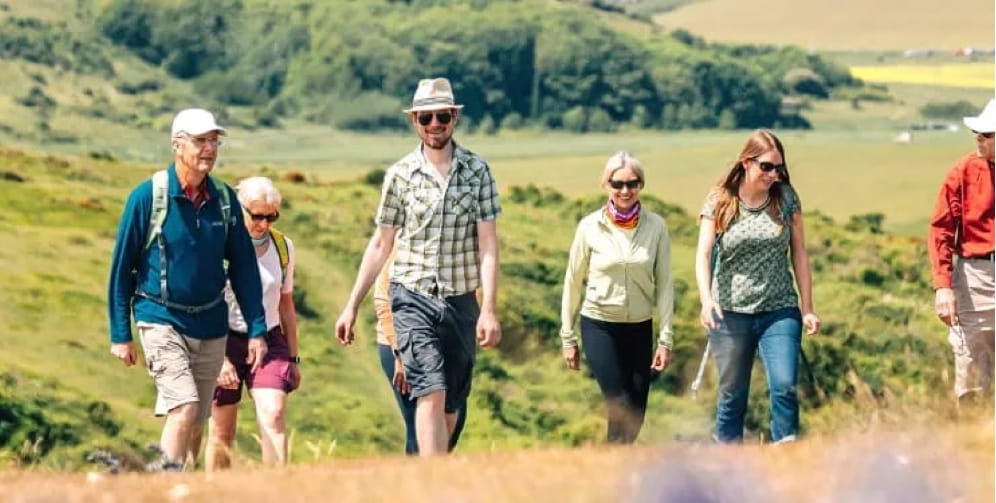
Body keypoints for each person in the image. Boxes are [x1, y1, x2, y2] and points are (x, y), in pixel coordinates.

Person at [334, 77, 502, 456]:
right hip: (411, 297)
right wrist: (351, 304)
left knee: (451, 405)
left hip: (460, 300)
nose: (435, 124)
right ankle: (431, 488)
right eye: (426, 118)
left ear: (454, 118)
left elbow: (488, 244)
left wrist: (488, 310)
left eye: (442, 116)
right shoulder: (400, 174)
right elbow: (381, 243)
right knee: (430, 388)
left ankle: (431, 470)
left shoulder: (478, 171)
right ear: (415, 122)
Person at [107, 108, 267, 470]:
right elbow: (121, 269)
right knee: (183, 407)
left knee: (195, 420)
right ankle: (164, 488)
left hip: (211, 324)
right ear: (177, 145)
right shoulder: (147, 197)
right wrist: (121, 334)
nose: (209, 149)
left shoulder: (225, 200)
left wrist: (257, 329)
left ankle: (181, 482)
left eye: (214, 141)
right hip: (159, 316)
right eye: (200, 141)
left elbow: (244, 269)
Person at [695, 128, 821, 444]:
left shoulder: (786, 198)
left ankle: (786, 453)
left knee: (784, 386)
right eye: (766, 166)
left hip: (779, 309)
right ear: (747, 162)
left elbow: (800, 253)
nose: (773, 174)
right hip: (730, 312)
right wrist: (706, 300)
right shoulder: (720, 200)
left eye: (778, 168)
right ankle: (727, 460)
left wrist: (807, 308)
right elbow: (704, 253)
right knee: (732, 395)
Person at [559, 151, 675, 444]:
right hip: (599, 324)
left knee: (636, 411)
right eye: (617, 184)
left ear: (641, 185)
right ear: (606, 185)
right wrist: (568, 337)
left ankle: (615, 461)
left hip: (639, 326)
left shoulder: (656, 227)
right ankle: (612, 465)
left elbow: (664, 284)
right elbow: (573, 281)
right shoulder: (589, 226)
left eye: (632, 183)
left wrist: (666, 338)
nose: (625, 190)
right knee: (620, 402)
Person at [200, 176, 301, 469]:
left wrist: (293, 357)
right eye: (256, 216)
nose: (264, 224)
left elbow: (286, 304)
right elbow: (202, 303)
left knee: (274, 414)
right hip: (221, 339)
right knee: (221, 430)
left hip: (268, 339)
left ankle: (276, 489)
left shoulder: (283, 247)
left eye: (271, 217)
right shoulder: (215, 245)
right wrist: (218, 358)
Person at [928, 99, 995, 409]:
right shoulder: (963, 172)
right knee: (969, 365)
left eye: (986, 133)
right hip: (975, 275)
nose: (978, 138)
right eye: (976, 132)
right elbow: (941, 230)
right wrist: (943, 286)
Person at [374, 254, 466, 454]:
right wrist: (401, 355)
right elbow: (383, 300)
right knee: (419, 425)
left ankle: (436, 478)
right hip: (398, 341)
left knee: (455, 419)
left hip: (444, 340)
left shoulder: (457, 243)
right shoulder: (403, 244)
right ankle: (419, 479)